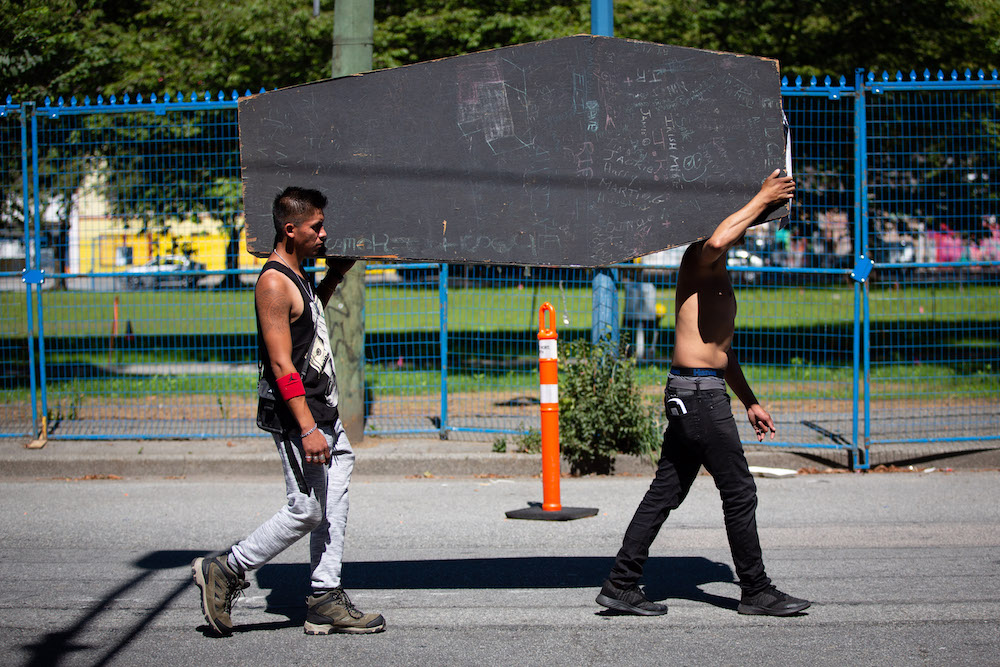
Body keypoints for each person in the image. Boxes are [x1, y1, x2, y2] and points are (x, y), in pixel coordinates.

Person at [596, 169, 811, 618]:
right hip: (698, 397)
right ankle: (755, 590)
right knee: (738, 490)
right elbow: (716, 242)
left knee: (664, 492)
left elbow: (720, 352)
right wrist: (763, 195)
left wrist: (750, 399)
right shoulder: (700, 254)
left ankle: (620, 584)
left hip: (697, 390)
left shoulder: (718, 268)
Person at [192, 186, 385, 636]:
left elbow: (308, 319)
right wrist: (307, 429)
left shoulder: (297, 274)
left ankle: (324, 595)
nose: (323, 233)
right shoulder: (274, 282)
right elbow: (281, 363)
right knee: (305, 510)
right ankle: (228, 567)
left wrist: (334, 277)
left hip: (323, 410)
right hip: (301, 418)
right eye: (316, 227)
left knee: (334, 492)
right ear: (290, 229)